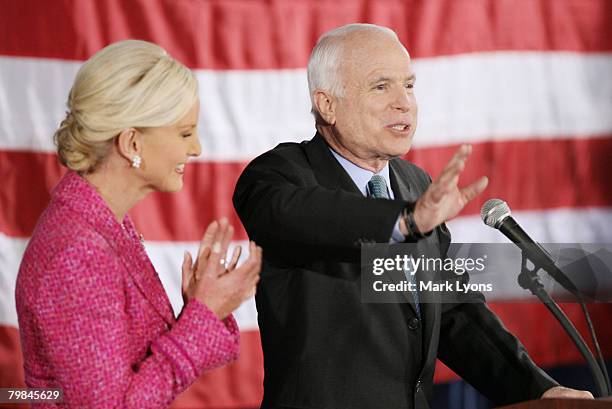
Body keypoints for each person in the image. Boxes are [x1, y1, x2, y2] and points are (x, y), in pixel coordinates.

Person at [233, 24, 593, 409]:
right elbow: (309, 217)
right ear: (327, 104)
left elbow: (453, 310)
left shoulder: (414, 184)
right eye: (381, 86)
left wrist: (538, 390)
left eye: (408, 85)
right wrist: (403, 221)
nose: (404, 102)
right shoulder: (279, 175)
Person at [15, 40, 262, 408]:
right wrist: (204, 316)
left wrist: (201, 308)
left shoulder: (102, 224)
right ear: (132, 142)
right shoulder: (79, 254)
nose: (196, 149)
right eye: (184, 133)